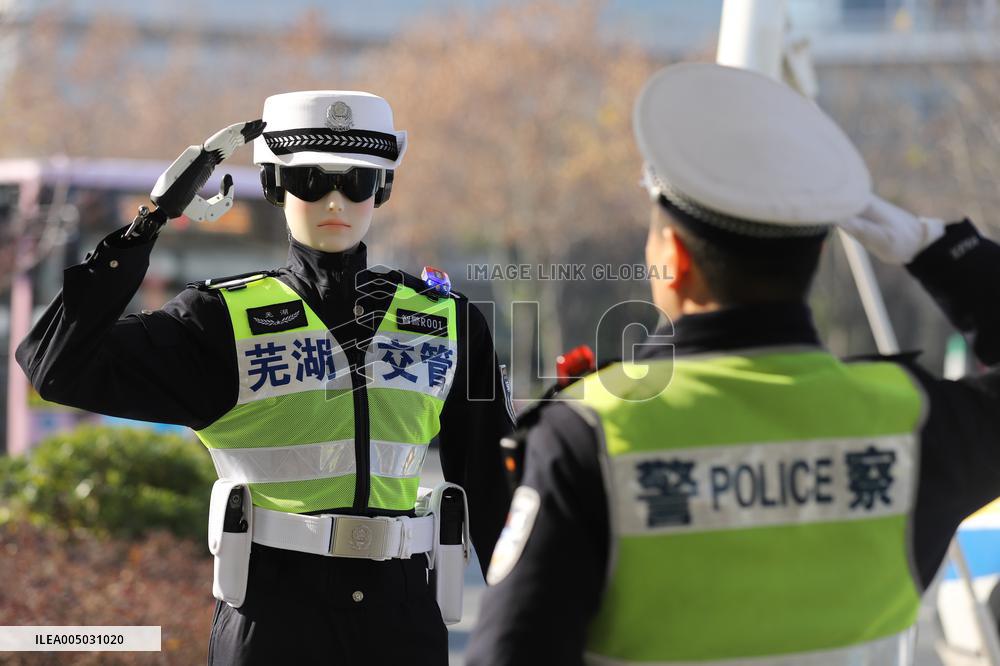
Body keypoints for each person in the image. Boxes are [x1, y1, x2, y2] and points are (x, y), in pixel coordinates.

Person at [466, 62, 1000, 665]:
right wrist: (945, 253)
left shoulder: (592, 434)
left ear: (674, 257)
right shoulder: (912, 420)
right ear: (821, 251)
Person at [17, 91, 514, 665]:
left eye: (357, 180)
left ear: (384, 188)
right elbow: (55, 368)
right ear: (275, 186)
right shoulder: (218, 322)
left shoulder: (447, 322)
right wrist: (147, 225)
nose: (335, 199)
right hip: (273, 621)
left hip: (401, 621)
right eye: (309, 180)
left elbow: (495, 488)